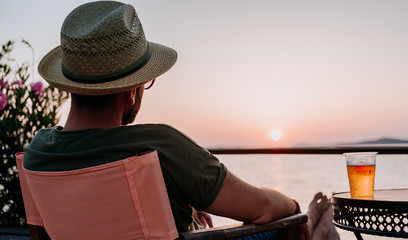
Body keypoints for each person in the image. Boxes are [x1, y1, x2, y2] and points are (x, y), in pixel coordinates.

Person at [24, 1, 339, 239]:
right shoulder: (158, 146)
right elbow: (264, 208)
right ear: (131, 92)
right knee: (291, 224)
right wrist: (295, 209)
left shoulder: (37, 153)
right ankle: (315, 226)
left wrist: (176, 202)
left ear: (71, 84)